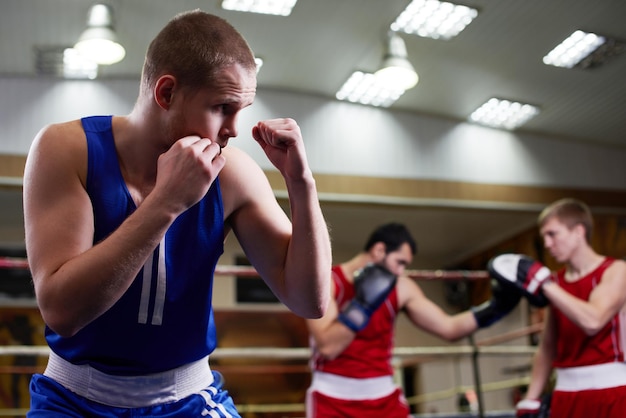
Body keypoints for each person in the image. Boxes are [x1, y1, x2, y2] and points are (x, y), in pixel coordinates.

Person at [22, 9, 331, 417]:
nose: (235, 129)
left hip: (189, 398)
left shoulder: (233, 172)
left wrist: (302, 184)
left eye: (242, 109)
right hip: (73, 399)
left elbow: (310, 300)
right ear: (166, 93)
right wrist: (166, 203)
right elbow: (62, 312)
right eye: (222, 107)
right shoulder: (67, 149)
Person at [305, 222, 521, 417]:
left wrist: (496, 307)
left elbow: (450, 328)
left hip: (383, 396)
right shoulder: (329, 282)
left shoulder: (401, 286)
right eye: (399, 262)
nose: (401, 271)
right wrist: (363, 305)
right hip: (332, 397)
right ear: (379, 250)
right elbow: (328, 347)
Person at [490, 198, 626, 418]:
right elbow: (547, 347)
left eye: (553, 234)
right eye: (544, 236)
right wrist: (530, 398)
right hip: (566, 394)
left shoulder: (615, 270)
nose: (547, 244)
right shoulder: (557, 283)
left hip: (611, 391)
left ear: (578, 232)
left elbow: (594, 320)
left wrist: (545, 284)